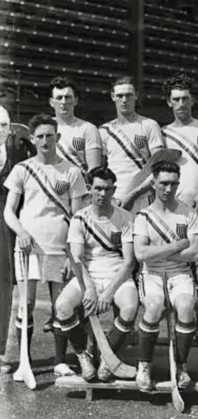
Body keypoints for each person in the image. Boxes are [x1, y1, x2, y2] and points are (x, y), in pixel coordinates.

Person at [3, 114, 86, 381]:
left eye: (50, 135)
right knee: (25, 304)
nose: (45, 140)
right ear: (33, 140)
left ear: (58, 138)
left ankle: (61, 361)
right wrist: (22, 233)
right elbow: (9, 212)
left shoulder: (72, 172)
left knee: (59, 304)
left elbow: (77, 217)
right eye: (40, 136)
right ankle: (24, 360)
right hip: (28, 248)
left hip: (59, 248)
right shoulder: (22, 169)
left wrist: (72, 253)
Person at [53, 166, 138, 380]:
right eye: (98, 188)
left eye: (108, 189)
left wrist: (108, 293)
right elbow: (78, 259)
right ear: (89, 189)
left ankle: (108, 359)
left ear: (114, 190)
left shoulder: (125, 217)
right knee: (62, 306)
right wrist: (89, 288)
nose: (103, 194)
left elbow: (128, 262)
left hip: (117, 274)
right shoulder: (79, 219)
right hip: (87, 274)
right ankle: (84, 355)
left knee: (129, 307)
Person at [132, 160, 198, 391]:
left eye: (173, 184)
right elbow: (141, 254)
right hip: (151, 274)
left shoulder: (188, 213)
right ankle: (144, 365)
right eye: (163, 183)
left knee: (186, 305)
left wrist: (160, 253)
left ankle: (180, 365)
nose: (168, 189)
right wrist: (176, 246)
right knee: (153, 306)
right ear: (153, 183)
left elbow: (195, 252)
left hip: (180, 274)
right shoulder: (143, 216)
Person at [0, 105, 34, 372]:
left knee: (3, 281)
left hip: (5, 216)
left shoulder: (20, 146)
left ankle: (0, 349)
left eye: (3, 126)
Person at [98, 76, 164, 213]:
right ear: (112, 97)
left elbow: (160, 167)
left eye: (128, 95)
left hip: (144, 198)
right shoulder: (104, 131)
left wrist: (133, 194)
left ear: (136, 96)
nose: (124, 100)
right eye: (120, 96)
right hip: (114, 199)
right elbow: (100, 171)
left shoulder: (149, 125)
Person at [161, 73, 198, 220]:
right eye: (176, 99)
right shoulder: (163, 133)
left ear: (192, 100)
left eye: (185, 98)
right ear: (169, 102)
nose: (181, 104)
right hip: (174, 204)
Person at [49, 76, 102, 174]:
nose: (63, 102)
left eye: (67, 97)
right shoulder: (43, 128)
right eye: (59, 98)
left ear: (76, 101)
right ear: (52, 102)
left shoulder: (88, 129)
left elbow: (94, 171)